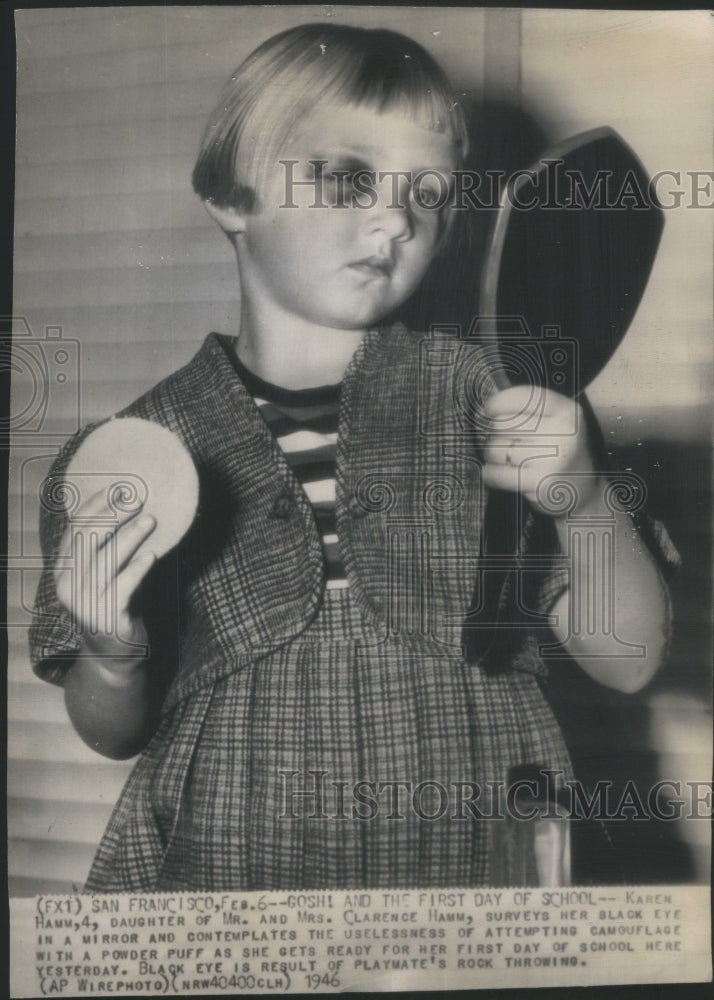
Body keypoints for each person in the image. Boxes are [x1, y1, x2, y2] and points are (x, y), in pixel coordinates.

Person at [29, 23, 675, 892]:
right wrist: (115, 659)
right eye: (348, 177)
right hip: (236, 864)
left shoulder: (505, 400)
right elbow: (111, 731)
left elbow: (629, 659)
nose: (395, 218)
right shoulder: (134, 454)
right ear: (232, 193)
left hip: (479, 858)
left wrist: (586, 501)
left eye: (431, 193)